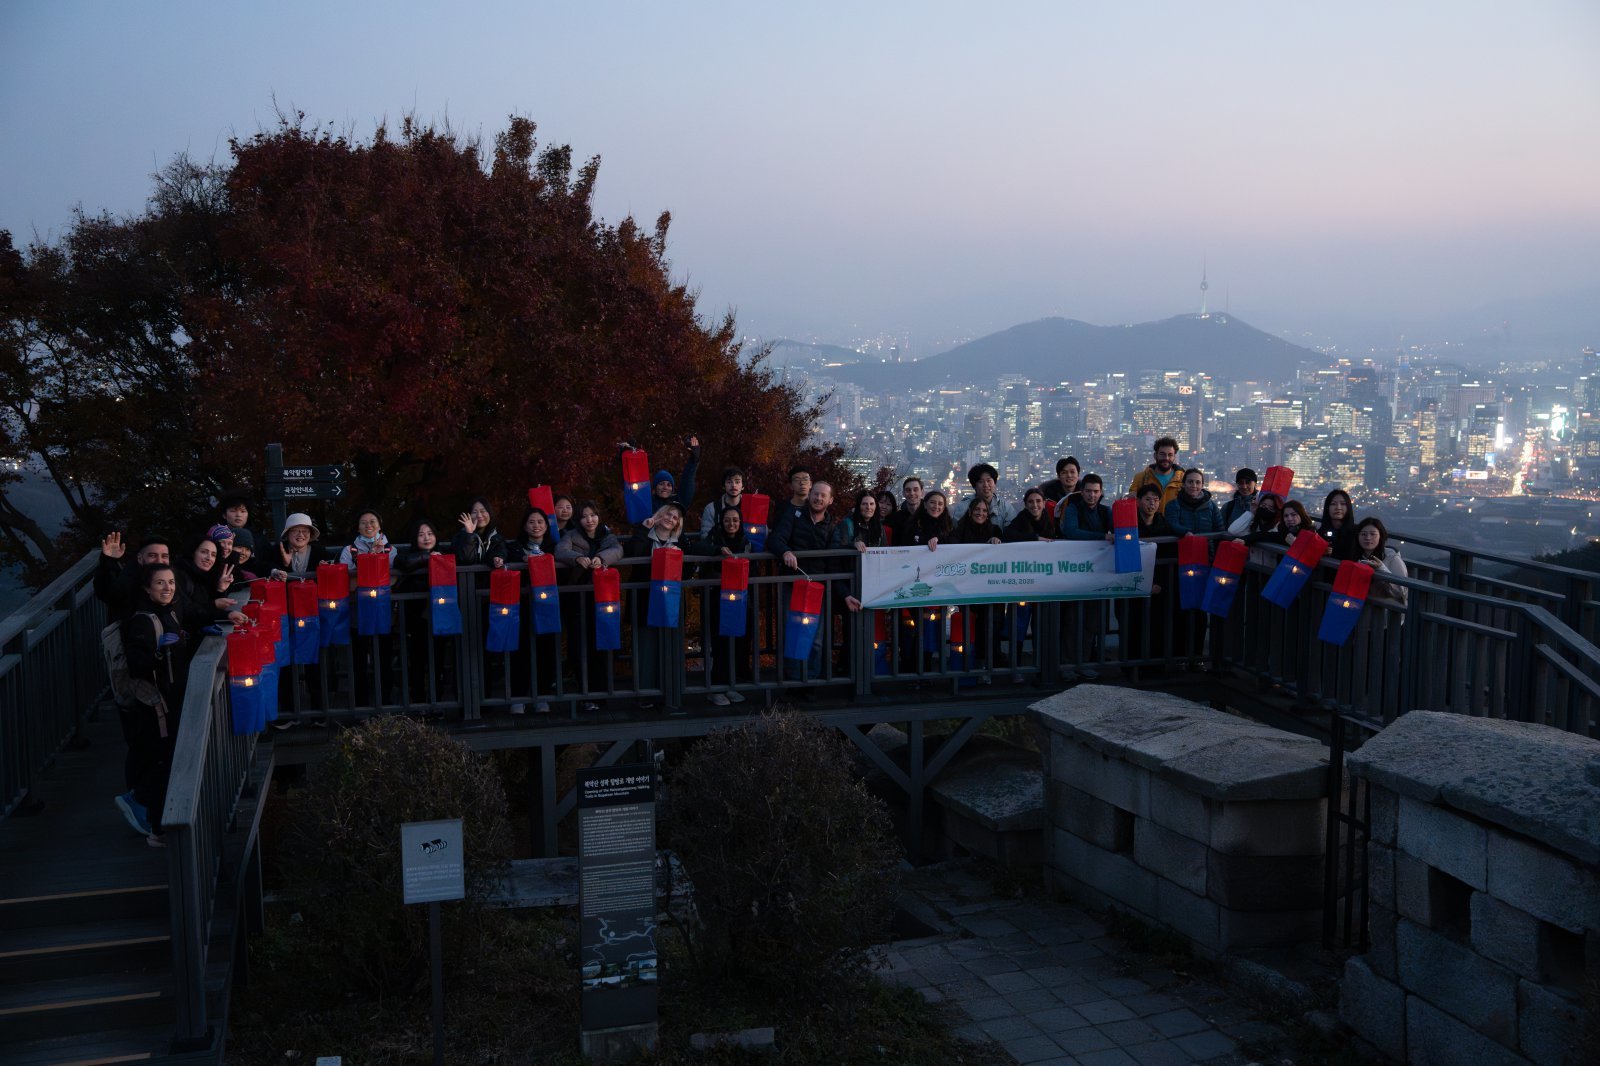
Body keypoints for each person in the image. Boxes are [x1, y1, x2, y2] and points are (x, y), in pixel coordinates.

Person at [115, 563, 247, 846]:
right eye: (160, 583)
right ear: (147, 588)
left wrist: (226, 613)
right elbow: (138, 664)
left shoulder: (172, 610)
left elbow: (196, 614)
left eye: (171, 582)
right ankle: (153, 821)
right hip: (156, 704)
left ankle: (152, 815)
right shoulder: (142, 620)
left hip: (174, 697)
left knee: (170, 758)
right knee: (166, 760)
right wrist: (160, 651)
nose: (167, 588)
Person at [767, 481, 858, 685]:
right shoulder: (793, 516)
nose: (818, 499)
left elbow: (834, 562)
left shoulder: (833, 526)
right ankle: (791, 682)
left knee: (815, 638)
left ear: (830, 500)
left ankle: (811, 682)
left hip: (817, 587)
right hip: (792, 583)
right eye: (815, 494)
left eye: (823, 496)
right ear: (809, 495)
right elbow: (774, 539)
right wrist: (785, 551)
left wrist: (844, 594)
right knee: (791, 634)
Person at [555, 502, 624, 712]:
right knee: (579, 644)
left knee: (601, 644)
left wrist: (601, 559)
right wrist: (577, 558)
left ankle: (601, 692)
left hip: (603, 597)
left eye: (593, 515)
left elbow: (618, 549)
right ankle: (585, 691)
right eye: (585, 516)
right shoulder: (572, 535)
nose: (590, 520)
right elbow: (560, 551)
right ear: (579, 519)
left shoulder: (607, 534)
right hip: (578, 597)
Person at [504, 508, 562, 714]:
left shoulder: (555, 548)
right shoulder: (515, 548)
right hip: (521, 605)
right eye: (531, 522)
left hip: (548, 606)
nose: (536, 525)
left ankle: (542, 697)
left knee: (545, 650)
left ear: (547, 526)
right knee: (520, 650)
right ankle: (518, 697)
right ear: (524, 526)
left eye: (540, 522)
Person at [693, 505, 753, 704]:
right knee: (719, 642)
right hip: (717, 596)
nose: (731, 524)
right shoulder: (714, 537)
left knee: (737, 641)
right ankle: (716, 687)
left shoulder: (745, 540)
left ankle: (731, 685)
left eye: (735, 520)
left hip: (740, 596)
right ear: (721, 521)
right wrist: (717, 550)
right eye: (727, 519)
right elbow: (698, 546)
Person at [96, 533, 172, 621]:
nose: (159, 561)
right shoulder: (130, 579)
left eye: (164, 556)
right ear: (140, 558)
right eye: (152, 555)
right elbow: (108, 593)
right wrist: (109, 560)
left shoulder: (174, 578)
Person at [624, 435, 700, 521]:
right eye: (661, 484)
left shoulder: (678, 503)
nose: (665, 487)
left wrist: (693, 461)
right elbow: (632, 488)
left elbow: (687, 481)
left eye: (669, 485)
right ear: (655, 487)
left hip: (674, 535)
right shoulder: (647, 503)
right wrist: (628, 461)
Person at [1355, 517, 1408, 608]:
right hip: (1365, 609)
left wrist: (1382, 569)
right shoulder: (1357, 557)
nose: (1368, 538)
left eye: (1373, 534)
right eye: (1363, 534)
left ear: (1380, 536)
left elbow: (1401, 591)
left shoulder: (1392, 558)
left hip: (1389, 613)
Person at [951, 462, 1017, 525]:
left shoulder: (1005, 507)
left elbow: (1012, 532)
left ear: (994, 483)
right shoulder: (963, 506)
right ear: (974, 486)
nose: (986, 485)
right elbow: (956, 531)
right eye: (981, 482)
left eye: (989, 481)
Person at [1128, 437, 1183, 511]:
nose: (1166, 458)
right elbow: (1132, 504)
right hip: (1148, 522)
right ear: (1155, 455)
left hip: (1173, 522)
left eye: (1170, 455)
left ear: (1174, 457)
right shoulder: (1141, 478)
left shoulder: (1183, 479)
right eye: (1162, 454)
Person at [1165, 469, 1224, 536]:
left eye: (1198, 482)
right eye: (1190, 482)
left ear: (1202, 486)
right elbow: (1172, 525)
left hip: (1207, 546)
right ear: (1183, 484)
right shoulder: (1173, 505)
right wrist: (1185, 532)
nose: (1194, 485)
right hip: (1182, 545)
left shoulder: (1212, 506)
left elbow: (1220, 529)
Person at [267, 513, 323, 579]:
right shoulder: (275, 551)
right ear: (287, 534)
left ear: (310, 534)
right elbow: (263, 566)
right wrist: (275, 571)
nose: (300, 534)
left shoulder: (320, 552)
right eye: (295, 530)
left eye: (305, 531)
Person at [453, 497, 507, 566]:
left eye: (483, 511)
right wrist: (469, 534)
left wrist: (497, 559)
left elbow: (500, 551)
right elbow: (466, 560)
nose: (479, 515)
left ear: (489, 513)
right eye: (474, 512)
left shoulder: (496, 537)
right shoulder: (460, 537)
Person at [1059, 475, 1113, 540]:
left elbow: (1118, 530)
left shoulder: (1106, 511)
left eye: (1096, 491)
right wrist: (1104, 536)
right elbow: (1071, 533)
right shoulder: (1072, 508)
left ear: (1100, 492)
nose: (1092, 495)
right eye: (1088, 491)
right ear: (1082, 492)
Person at [700, 466, 745, 535]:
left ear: (743, 486)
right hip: (720, 545)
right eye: (729, 482)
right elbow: (705, 535)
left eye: (737, 482)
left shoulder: (751, 507)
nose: (733, 485)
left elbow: (762, 532)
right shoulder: (711, 509)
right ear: (723, 486)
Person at [883, 476, 924, 546]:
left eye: (915, 490)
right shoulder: (895, 519)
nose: (912, 493)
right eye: (908, 490)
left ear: (922, 492)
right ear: (903, 493)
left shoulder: (930, 516)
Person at [1320, 489, 1359, 561]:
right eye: (1333, 504)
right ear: (1327, 507)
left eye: (1343, 504)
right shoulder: (1320, 534)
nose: (1338, 507)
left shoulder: (1357, 533)